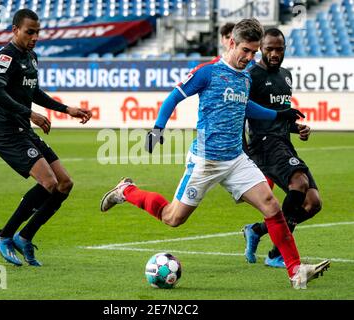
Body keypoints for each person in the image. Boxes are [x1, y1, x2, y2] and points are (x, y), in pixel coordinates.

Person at [100, 18, 330, 289]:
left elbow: (248, 109)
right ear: (231, 43)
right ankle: (126, 191)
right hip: (205, 161)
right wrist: (158, 129)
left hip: (235, 160)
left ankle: (295, 272)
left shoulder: (245, 77)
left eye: (254, 52)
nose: (249, 57)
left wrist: (281, 115)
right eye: (245, 50)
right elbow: (174, 97)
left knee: (271, 205)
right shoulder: (207, 72)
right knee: (172, 218)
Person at [0, 9, 92, 266]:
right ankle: (3, 236)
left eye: (37, 32)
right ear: (15, 30)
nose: (35, 37)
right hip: (6, 133)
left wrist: (67, 109)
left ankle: (25, 237)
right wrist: (30, 114)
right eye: (29, 32)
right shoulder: (5, 56)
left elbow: (35, 92)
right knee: (48, 182)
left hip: (25, 130)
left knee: (64, 184)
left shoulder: (31, 57)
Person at [242, 28, 322, 268]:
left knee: (312, 202)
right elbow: (242, 111)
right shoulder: (251, 75)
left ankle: (256, 230)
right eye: (269, 49)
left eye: (279, 49)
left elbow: (279, 117)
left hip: (282, 143)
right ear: (261, 49)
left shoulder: (286, 76)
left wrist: (297, 129)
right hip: (262, 144)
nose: (275, 53)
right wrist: (243, 150)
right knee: (299, 183)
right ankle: (277, 254)